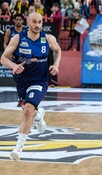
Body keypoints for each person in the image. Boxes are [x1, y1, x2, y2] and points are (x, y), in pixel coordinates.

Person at [1, 12, 61, 161]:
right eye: (34, 22)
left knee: (27, 110)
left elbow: (58, 51)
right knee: (30, 113)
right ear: (28, 23)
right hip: (22, 81)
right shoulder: (18, 38)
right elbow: (3, 58)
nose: (37, 25)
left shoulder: (48, 38)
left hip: (39, 81)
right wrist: (14, 65)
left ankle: (18, 148)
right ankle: (39, 116)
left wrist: (56, 64)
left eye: (40, 22)